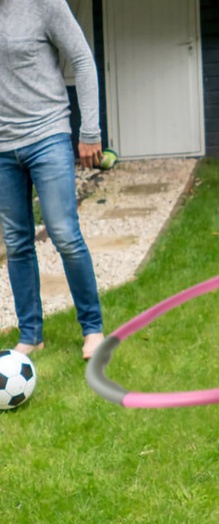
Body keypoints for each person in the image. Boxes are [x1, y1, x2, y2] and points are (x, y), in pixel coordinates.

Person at [0, 0, 106, 360]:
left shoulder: (43, 3)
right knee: (16, 242)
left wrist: (89, 129)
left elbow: (82, 60)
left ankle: (92, 329)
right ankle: (31, 335)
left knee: (63, 233)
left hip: (48, 135)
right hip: (2, 148)